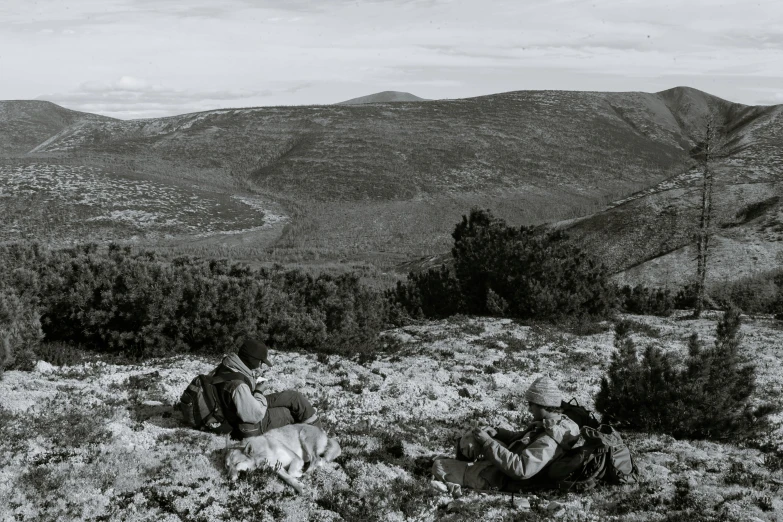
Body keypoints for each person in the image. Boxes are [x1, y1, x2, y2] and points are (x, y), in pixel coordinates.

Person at [432, 376, 580, 492]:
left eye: (531, 405)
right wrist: (497, 433)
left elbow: (521, 469)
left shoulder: (550, 440)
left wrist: (487, 442)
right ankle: (465, 467)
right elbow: (523, 439)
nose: (529, 409)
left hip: (500, 479)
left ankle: (466, 471)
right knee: (471, 438)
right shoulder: (553, 423)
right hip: (505, 465)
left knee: (439, 466)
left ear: (543, 405)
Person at [212, 337, 322, 440]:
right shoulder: (239, 386)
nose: (261, 365)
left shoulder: (227, 365)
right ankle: (318, 439)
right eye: (260, 361)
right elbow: (255, 414)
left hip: (244, 407)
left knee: (294, 397)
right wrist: (259, 391)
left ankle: (318, 432)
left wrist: (253, 385)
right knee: (289, 413)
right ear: (252, 360)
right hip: (248, 426)